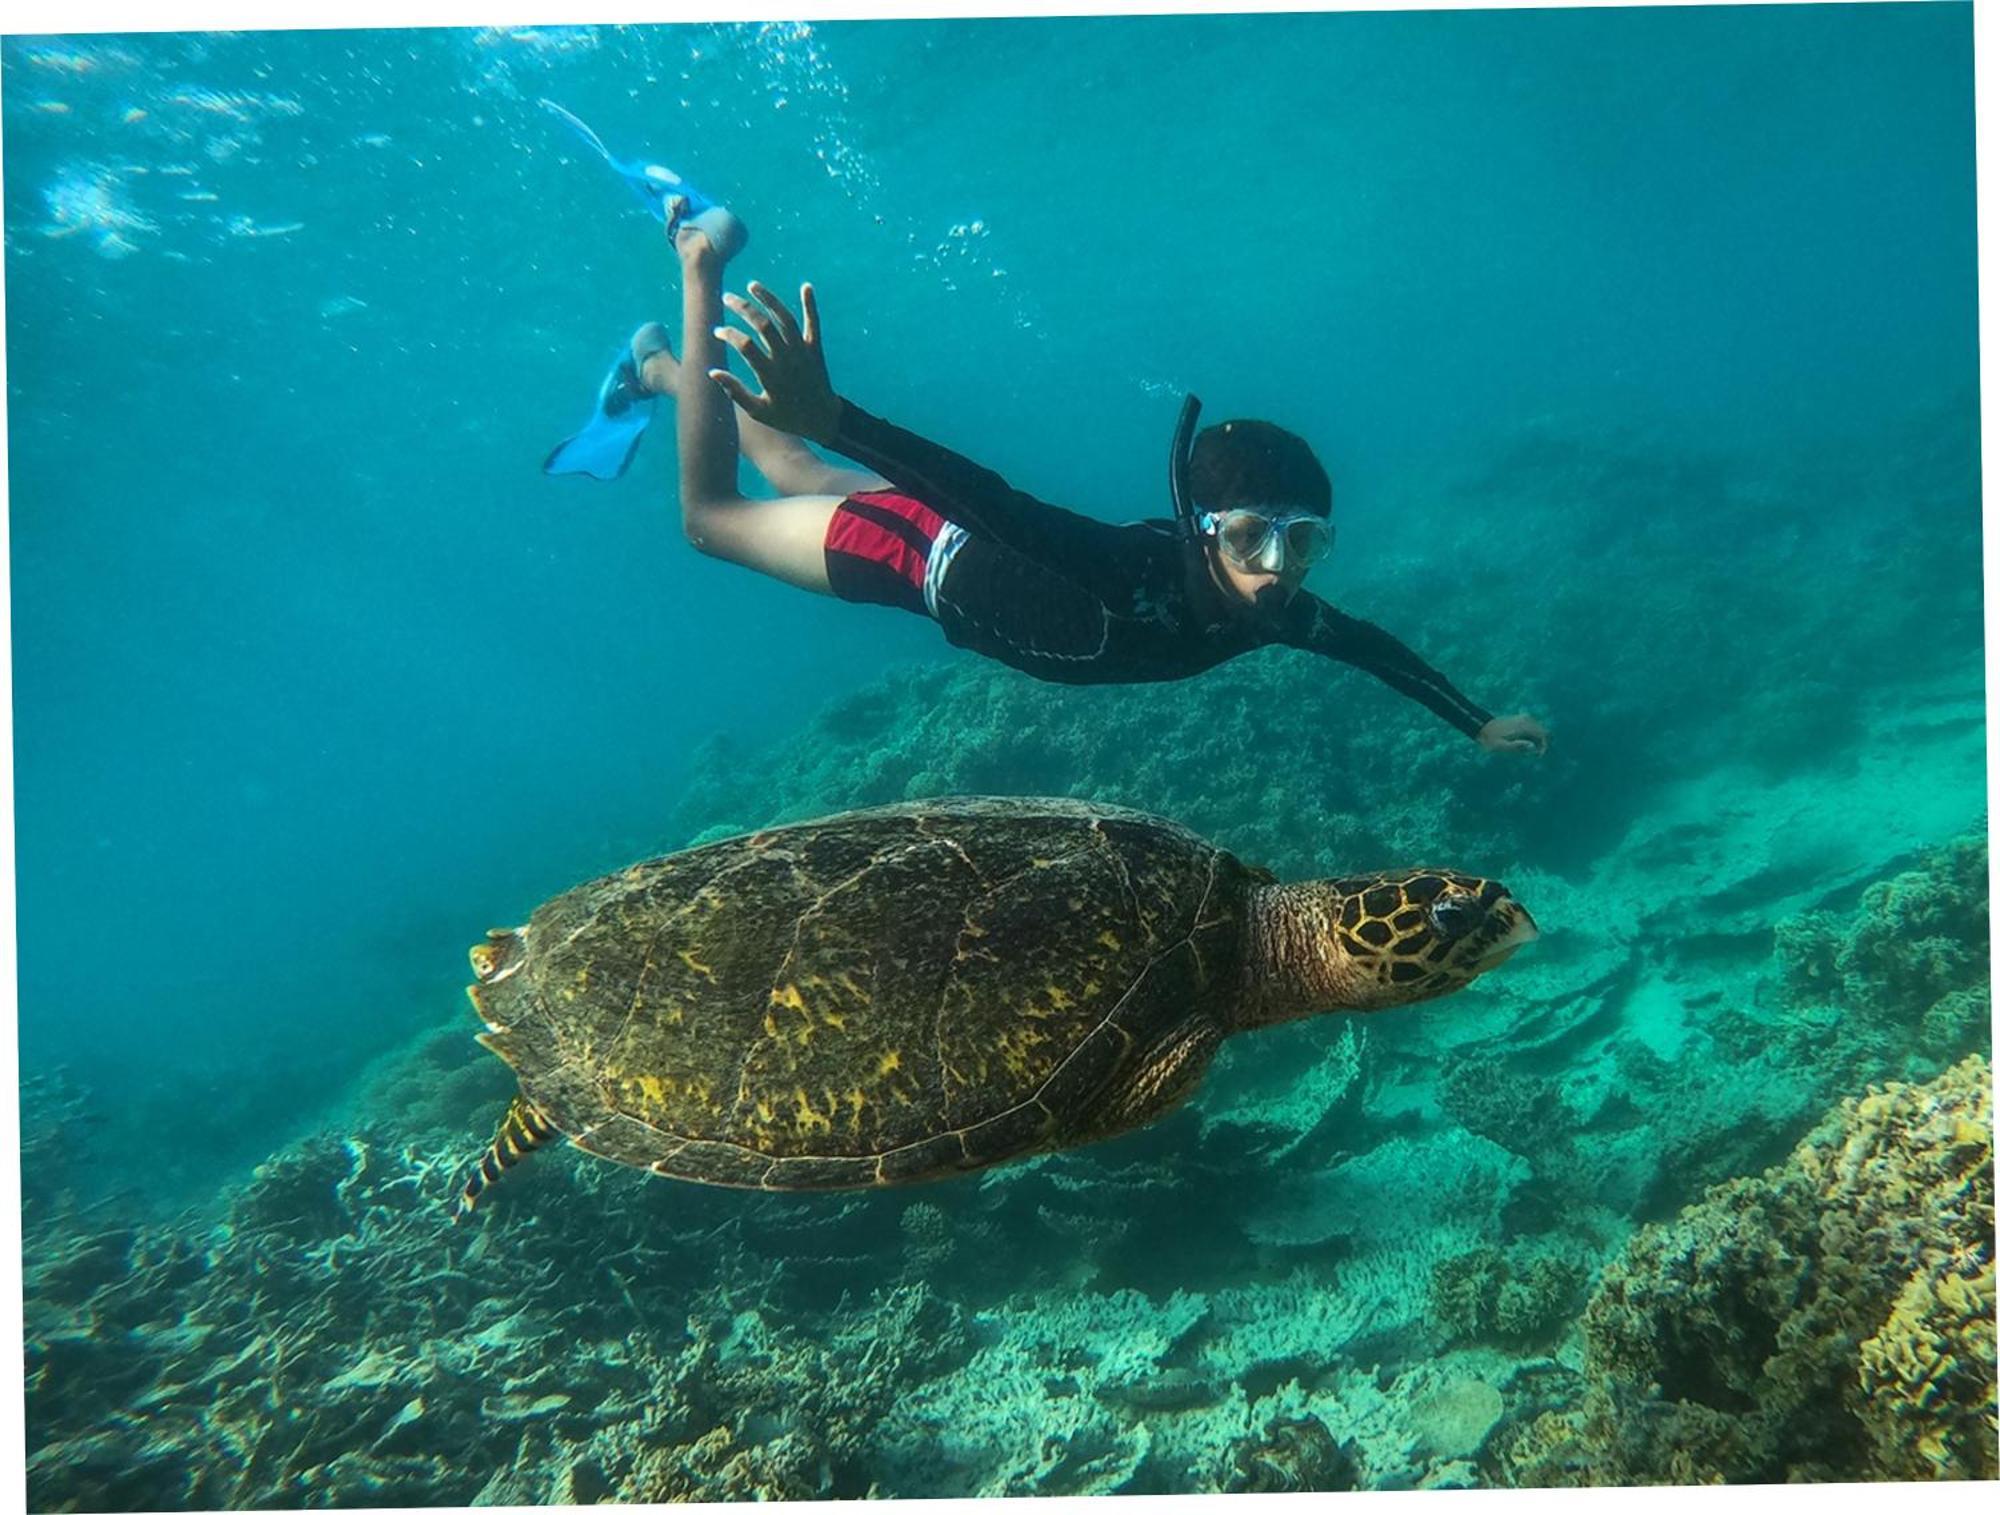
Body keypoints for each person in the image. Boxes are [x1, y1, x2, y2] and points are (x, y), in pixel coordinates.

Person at [547, 174, 1548, 756]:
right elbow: (990, 501)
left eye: (1304, 543)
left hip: (938, 534)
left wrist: (1476, 723)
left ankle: (653, 369)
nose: (1278, 569)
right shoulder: (1122, 576)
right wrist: (843, 418)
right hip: (907, 554)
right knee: (713, 518)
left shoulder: (1277, 613)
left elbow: (1372, 647)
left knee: (785, 458)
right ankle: (699, 265)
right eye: (1250, 538)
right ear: (1203, 535)